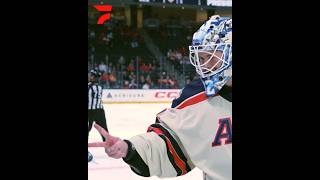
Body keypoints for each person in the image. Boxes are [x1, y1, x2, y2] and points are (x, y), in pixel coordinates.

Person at [88, 15, 232, 180]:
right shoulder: (194, 99)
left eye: (212, 57)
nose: (205, 65)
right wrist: (130, 149)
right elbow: (169, 145)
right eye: (201, 58)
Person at [88, 69, 109, 162]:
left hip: (90, 111)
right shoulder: (100, 86)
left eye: (90, 75)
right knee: (104, 130)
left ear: (93, 77)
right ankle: (109, 146)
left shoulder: (89, 86)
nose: (89, 76)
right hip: (100, 110)